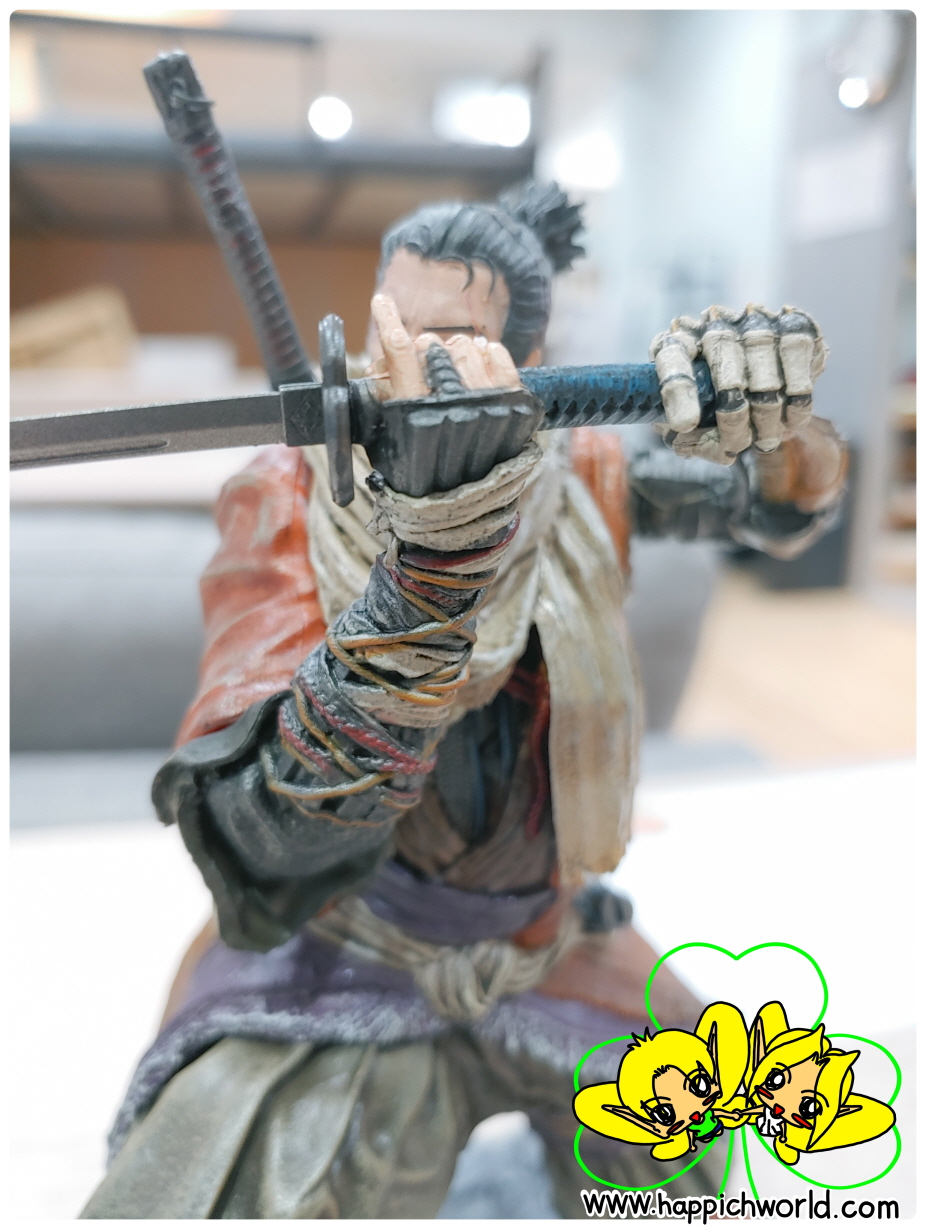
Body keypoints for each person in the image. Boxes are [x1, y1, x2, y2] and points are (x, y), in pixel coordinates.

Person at [81, 183, 847, 1219]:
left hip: (545, 935)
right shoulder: (291, 493)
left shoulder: (581, 472)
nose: (405, 368)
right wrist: (430, 572)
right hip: (348, 946)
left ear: (529, 360)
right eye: (390, 329)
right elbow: (262, 836)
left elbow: (776, 504)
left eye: (451, 344)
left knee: (698, 1167)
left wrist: (777, 419)